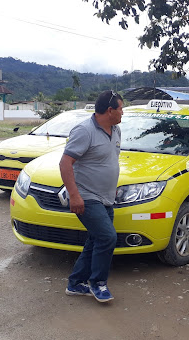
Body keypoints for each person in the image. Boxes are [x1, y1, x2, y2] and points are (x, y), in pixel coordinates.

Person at [60, 90, 123, 302]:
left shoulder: (116, 130)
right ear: (110, 110)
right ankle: (98, 283)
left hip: (106, 196)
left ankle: (76, 283)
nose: (123, 112)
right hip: (86, 196)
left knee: (95, 240)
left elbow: (109, 161)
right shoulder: (84, 131)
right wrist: (74, 195)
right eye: (121, 108)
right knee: (107, 237)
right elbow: (65, 163)